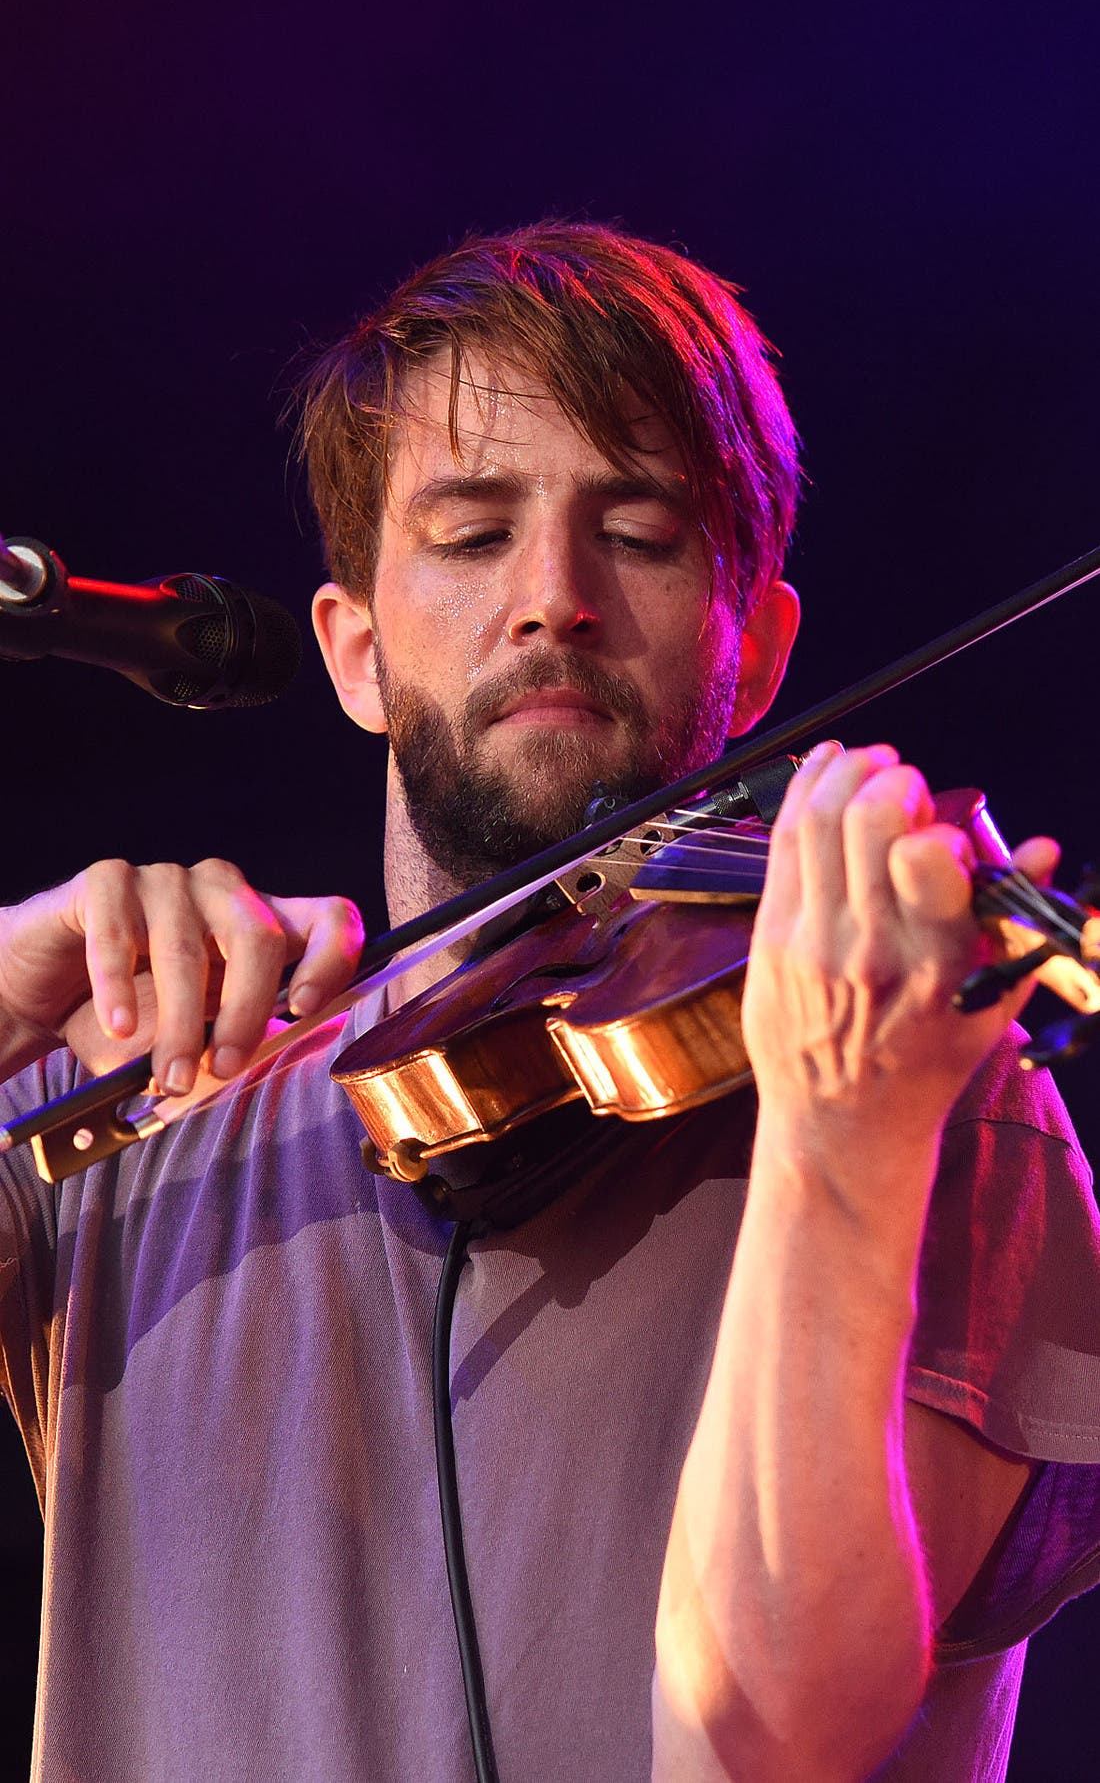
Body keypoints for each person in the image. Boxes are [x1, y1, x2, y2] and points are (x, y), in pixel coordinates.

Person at [2, 221, 1099, 1783]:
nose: (554, 598)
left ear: (761, 643)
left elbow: (769, 1739)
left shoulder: (924, 1089)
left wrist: (845, 1141)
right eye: (469, 534)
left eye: (640, 533)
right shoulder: (133, 1097)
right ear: (354, 652)